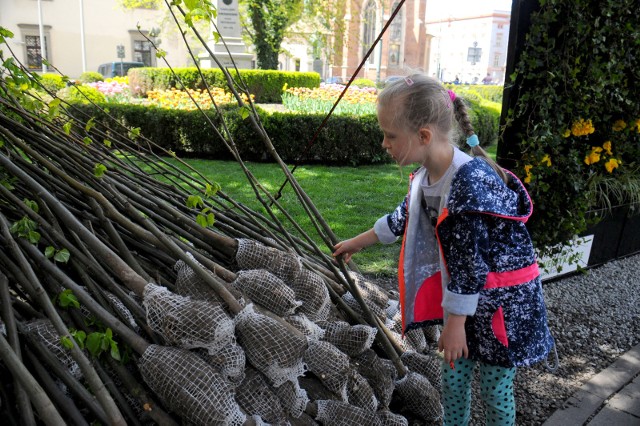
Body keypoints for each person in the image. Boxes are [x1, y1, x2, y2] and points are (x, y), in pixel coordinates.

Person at [333, 74, 554, 425]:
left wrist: (454, 325)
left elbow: (471, 266)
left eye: (390, 135)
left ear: (423, 136)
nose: (383, 144)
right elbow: (403, 216)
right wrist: (357, 242)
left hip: (502, 304)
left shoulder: (468, 184)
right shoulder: (426, 175)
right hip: (466, 303)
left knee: (494, 390)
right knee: (452, 381)